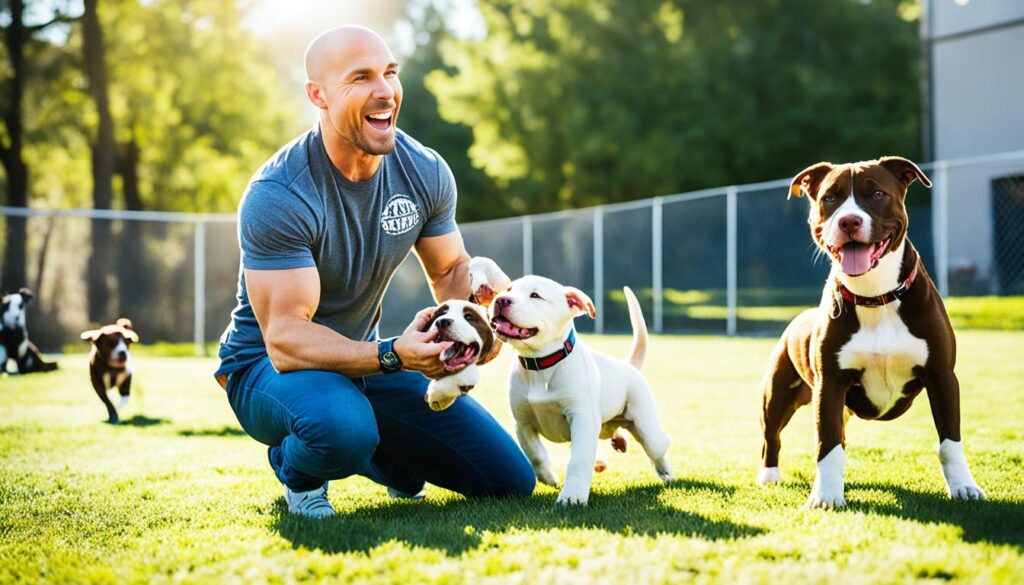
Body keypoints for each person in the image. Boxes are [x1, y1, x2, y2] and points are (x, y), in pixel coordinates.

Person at [214, 25, 535, 518]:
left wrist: (478, 309)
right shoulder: (279, 193)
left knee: (508, 481)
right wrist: (391, 356)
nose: (384, 90)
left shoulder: (424, 170)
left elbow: (449, 269)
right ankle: (295, 470)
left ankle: (393, 465)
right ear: (317, 95)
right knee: (343, 430)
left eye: (389, 73)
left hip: (366, 359)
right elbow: (285, 338)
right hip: (269, 368)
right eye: (361, 77)